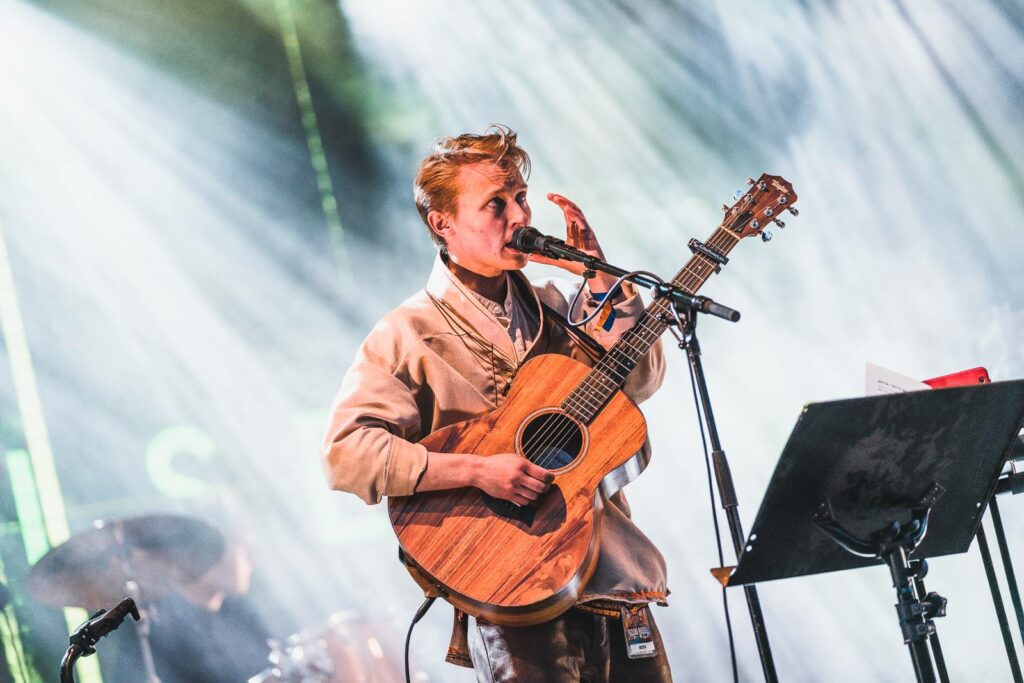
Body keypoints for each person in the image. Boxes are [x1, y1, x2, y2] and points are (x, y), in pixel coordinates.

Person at [321, 125, 672, 682]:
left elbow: (642, 382)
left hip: (610, 574)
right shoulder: (407, 333)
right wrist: (476, 470)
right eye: (496, 204)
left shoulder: (559, 307)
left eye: (521, 198)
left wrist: (602, 277)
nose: (521, 216)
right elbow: (347, 454)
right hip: (508, 585)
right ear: (442, 223)